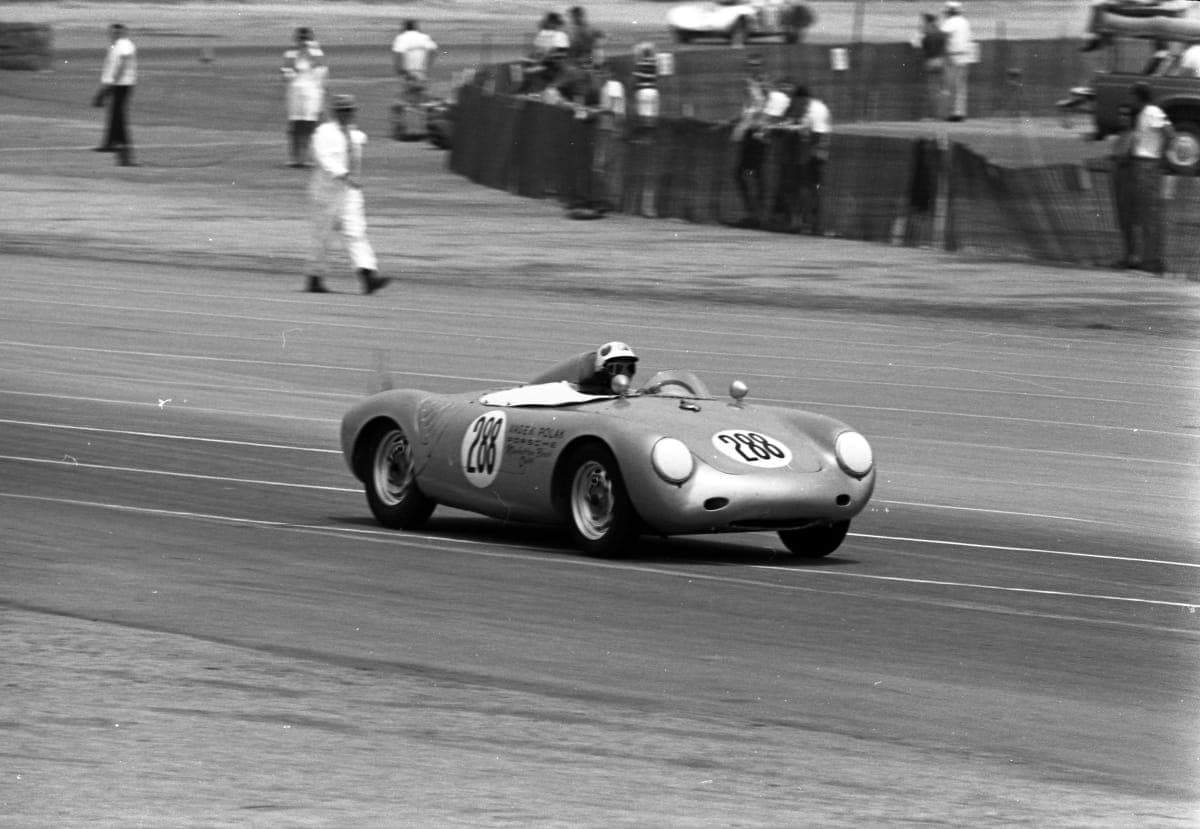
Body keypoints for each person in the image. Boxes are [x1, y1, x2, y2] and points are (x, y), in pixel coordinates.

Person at [305, 94, 388, 294]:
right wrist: (343, 174)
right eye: (343, 110)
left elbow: (357, 148)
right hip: (326, 193)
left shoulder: (354, 134)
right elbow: (323, 158)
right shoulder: (324, 133)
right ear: (335, 112)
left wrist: (351, 180)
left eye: (350, 110)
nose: (348, 114)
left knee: (356, 232)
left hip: (350, 192)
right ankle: (315, 277)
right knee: (322, 236)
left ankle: (367, 275)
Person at [1127, 81, 1174, 274]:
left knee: (1150, 214)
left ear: (1139, 96)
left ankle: (1153, 261)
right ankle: (1149, 258)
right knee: (1145, 213)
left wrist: (1162, 154)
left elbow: (1169, 132)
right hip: (1142, 164)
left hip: (1148, 164)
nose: (1130, 100)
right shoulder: (1144, 114)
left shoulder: (1153, 112)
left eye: (1132, 96)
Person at [732, 55, 770, 225]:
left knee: (751, 174)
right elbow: (748, 108)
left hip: (757, 133)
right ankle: (753, 213)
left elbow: (759, 108)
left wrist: (745, 123)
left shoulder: (761, 85)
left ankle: (756, 214)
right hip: (751, 132)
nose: (752, 69)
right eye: (750, 66)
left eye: (756, 65)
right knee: (746, 174)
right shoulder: (751, 84)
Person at [92, 23, 138, 166]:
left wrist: (110, 85)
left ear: (122, 33)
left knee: (118, 116)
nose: (112, 34)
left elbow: (123, 64)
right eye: (111, 32)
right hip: (117, 83)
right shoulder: (116, 45)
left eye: (116, 32)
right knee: (114, 114)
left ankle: (125, 147)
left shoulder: (124, 45)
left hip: (122, 84)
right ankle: (110, 143)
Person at [281, 27, 326, 168]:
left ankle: (306, 157)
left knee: (310, 124)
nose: (303, 41)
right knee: (295, 124)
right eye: (301, 38)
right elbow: (286, 74)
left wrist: (309, 57)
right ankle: (294, 157)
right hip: (295, 92)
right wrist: (293, 71)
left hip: (312, 92)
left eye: (306, 38)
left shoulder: (317, 53)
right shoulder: (290, 53)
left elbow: (321, 74)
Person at [528, 341, 638, 393]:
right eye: (616, 369)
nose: (624, 374)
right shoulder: (586, 379)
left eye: (630, 368)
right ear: (602, 370)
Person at [1108, 104, 1139, 269]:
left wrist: (1119, 159)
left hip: (1129, 181)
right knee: (1122, 220)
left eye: (1126, 115)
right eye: (1121, 115)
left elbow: (1128, 158)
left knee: (1129, 219)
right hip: (1118, 181)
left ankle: (1132, 256)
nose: (1123, 118)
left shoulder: (1134, 136)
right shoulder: (1120, 136)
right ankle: (1127, 254)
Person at [392, 19, 438, 104]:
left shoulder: (401, 38)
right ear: (416, 27)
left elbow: (398, 55)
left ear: (404, 28)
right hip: (422, 70)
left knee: (408, 95)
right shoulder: (424, 37)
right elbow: (433, 51)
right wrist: (428, 66)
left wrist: (398, 70)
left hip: (407, 71)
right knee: (420, 91)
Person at [940, 1, 972, 122]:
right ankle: (960, 112)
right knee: (961, 87)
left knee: (949, 85)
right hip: (964, 56)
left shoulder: (949, 22)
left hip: (952, 56)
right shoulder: (965, 22)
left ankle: (949, 112)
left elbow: (942, 36)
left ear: (949, 12)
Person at [915, 12, 948, 120]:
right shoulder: (940, 33)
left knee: (932, 91)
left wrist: (920, 36)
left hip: (931, 62)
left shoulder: (927, 35)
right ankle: (942, 114)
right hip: (941, 62)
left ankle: (934, 116)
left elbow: (922, 49)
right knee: (940, 90)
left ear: (928, 22)